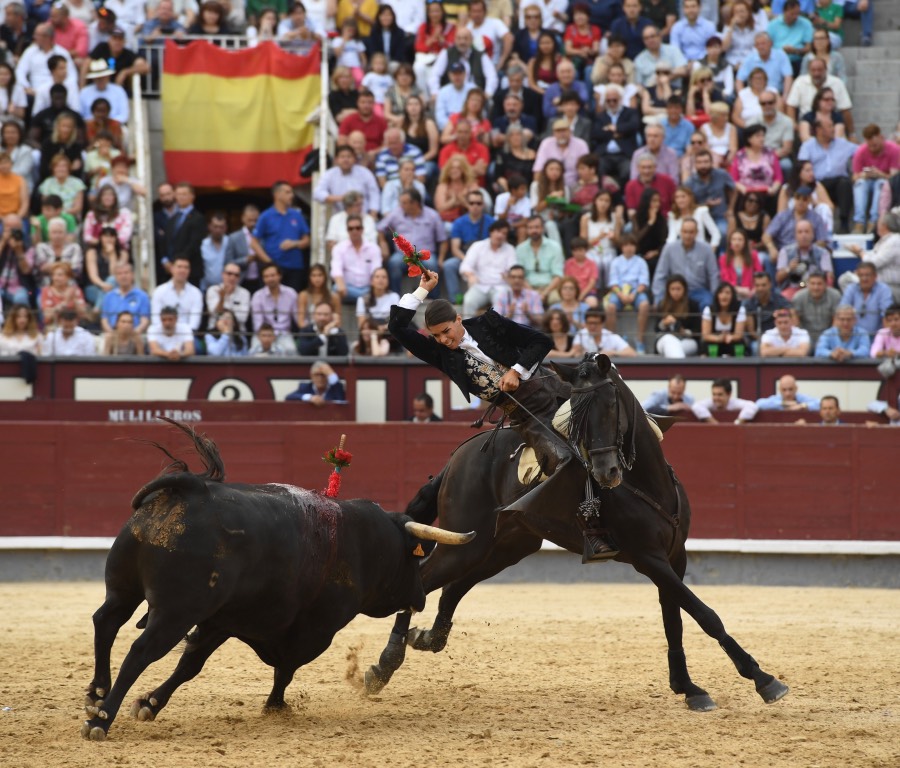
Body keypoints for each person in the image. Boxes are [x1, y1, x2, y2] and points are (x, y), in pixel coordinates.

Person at [389, 266, 617, 561]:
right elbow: (396, 327)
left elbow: (541, 341)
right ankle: (593, 532)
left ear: (458, 319)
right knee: (562, 458)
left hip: (559, 393)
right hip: (530, 418)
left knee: (612, 427)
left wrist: (516, 370)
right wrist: (423, 290)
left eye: (447, 332)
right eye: (437, 336)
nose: (444, 340)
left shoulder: (489, 323)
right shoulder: (439, 353)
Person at [378, 188, 449, 295]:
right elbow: (381, 228)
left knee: (432, 265)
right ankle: (395, 298)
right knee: (393, 263)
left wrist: (441, 259)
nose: (401, 205)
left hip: (424, 254)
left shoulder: (432, 215)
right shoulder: (397, 213)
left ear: (415, 203)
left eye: (404, 203)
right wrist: (383, 243)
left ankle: (434, 301)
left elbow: (443, 239)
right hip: (403, 255)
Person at [797, 117, 856, 234]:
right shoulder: (807, 146)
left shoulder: (842, 143)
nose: (833, 129)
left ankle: (844, 222)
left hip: (838, 183)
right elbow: (801, 167)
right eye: (829, 126)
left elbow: (862, 152)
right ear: (818, 130)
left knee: (845, 183)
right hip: (817, 183)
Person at [254, 180, 311, 292]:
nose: (292, 195)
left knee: (292, 299)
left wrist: (294, 243)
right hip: (274, 269)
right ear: (277, 194)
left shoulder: (297, 215)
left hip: (295, 267)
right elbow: (254, 243)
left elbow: (307, 240)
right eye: (287, 192)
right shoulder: (266, 216)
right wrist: (268, 261)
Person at [651, 218, 718, 311]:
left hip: (698, 291)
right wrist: (658, 297)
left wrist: (716, 297)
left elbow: (713, 275)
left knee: (708, 305)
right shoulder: (669, 249)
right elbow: (660, 275)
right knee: (663, 304)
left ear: (697, 232)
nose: (687, 235)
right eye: (685, 232)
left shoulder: (706, 249)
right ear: (680, 232)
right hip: (675, 291)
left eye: (691, 232)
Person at [459, 220, 517, 316]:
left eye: (504, 233)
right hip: (480, 285)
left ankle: (495, 331)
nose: (500, 235)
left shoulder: (510, 249)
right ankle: (468, 329)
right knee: (469, 300)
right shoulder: (478, 246)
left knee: (500, 303)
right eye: (498, 231)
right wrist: (470, 275)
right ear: (491, 231)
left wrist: (508, 275)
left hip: (501, 286)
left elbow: (513, 269)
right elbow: (465, 266)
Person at [604, 234, 650, 350]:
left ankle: (640, 340)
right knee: (611, 307)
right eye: (626, 245)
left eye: (631, 245)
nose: (629, 248)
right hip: (619, 291)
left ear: (635, 247)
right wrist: (621, 295)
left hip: (636, 291)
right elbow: (613, 283)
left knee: (644, 305)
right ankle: (613, 341)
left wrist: (633, 294)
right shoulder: (616, 262)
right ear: (621, 247)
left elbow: (643, 283)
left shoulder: (641, 262)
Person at [851, 125, 900, 235]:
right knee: (860, 184)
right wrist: (863, 175)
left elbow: (895, 179)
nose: (873, 148)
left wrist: (880, 174)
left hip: (884, 181)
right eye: (870, 145)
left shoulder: (894, 150)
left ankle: (873, 221)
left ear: (881, 137)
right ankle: (859, 222)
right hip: (866, 182)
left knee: (881, 184)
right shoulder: (861, 151)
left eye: (875, 145)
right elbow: (854, 177)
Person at [591, 83, 642, 187]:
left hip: (624, 154)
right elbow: (596, 133)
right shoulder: (601, 116)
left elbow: (634, 126)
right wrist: (618, 133)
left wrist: (614, 128)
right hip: (604, 154)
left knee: (627, 171)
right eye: (608, 100)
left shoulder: (630, 113)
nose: (612, 103)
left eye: (614, 100)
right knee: (599, 170)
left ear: (621, 99)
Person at [330, 214, 382, 304]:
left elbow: (376, 271)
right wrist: (341, 284)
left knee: (379, 287)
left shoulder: (374, 248)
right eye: (351, 228)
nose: (354, 231)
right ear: (347, 230)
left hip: (369, 288)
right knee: (336, 288)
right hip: (347, 290)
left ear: (362, 229)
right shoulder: (339, 248)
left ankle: (364, 298)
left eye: (357, 228)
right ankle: (364, 298)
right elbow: (336, 269)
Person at [162, 182, 206, 285]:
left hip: (190, 270)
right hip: (171, 269)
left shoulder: (198, 218)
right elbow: (165, 242)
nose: (181, 197)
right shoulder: (173, 218)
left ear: (192, 196)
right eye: (178, 194)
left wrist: (177, 262)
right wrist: (165, 261)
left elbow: (194, 244)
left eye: (184, 194)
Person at [685, 149, 735, 238]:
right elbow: (687, 204)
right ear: (695, 165)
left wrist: (730, 209)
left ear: (711, 162)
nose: (703, 165)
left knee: (723, 233)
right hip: (699, 218)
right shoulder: (690, 182)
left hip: (720, 215)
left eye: (706, 162)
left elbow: (734, 190)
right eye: (699, 162)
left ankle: (721, 252)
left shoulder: (721, 174)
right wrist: (705, 205)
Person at [250, 263, 299, 354]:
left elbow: (297, 318)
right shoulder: (257, 296)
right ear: (263, 279)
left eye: (273, 275)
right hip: (264, 334)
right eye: (266, 276)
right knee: (254, 353)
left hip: (284, 334)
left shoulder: (291, 293)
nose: (270, 279)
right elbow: (258, 324)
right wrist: (268, 336)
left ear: (279, 276)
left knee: (292, 351)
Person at [515, 215, 564, 304]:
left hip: (550, 288)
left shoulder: (555, 247)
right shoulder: (520, 249)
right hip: (528, 288)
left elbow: (558, 276)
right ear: (526, 230)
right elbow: (520, 276)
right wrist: (533, 294)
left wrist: (544, 293)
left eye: (537, 227)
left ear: (543, 228)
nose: (534, 231)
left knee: (556, 299)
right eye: (530, 228)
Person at [533, 117, 590, 188]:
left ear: (570, 131)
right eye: (558, 131)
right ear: (553, 133)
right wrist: (538, 186)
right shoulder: (546, 143)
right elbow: (538, 168)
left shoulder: (581, 144)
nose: (562, 134)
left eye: (564, 131)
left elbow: (585, 168)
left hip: (575, 184)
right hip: (551, 185)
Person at [841, 262, 894, 337]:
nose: (864, 278)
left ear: (875, 276)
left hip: (876, 337)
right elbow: (841, 312)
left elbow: (887, 316)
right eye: (861, 275)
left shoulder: (883, 290)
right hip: (854, 338)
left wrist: (885, 340)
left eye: (867, 275)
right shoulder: (851, 289)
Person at [654, 274, 701, 357]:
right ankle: (679, 369)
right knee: (670, 340)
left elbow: (698, 330)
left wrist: (684, 332)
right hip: (664, 339)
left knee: (674, 347)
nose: (675, 292)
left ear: (684, 289)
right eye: (672, 289)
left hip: (687, 340)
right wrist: (664, 323)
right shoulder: (662, 304)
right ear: (668, 290)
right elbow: (656, 329)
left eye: (678, 289)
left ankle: (675, 369)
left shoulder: (692, 305)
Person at [791, 269, 841, 347]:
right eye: (812, 283)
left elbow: (836, 322)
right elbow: (796, 323)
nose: (816, 287)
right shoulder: (798, 297)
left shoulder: (835, 296)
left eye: (819, 284)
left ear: (825, 284)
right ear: (807, 284)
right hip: (805, 337)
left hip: (828, 336)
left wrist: (827, 339)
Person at [151, 255, 203, 330]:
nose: (182, 270)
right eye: (179, 267)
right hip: (164, 335)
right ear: (172, 269)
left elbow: (194, 323)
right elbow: (155, 320)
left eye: (186, 267)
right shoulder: (159, 291)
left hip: (188, 336)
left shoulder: (196, 293)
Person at [100, 262, 150, 336]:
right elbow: (104, 320)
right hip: (113, 334)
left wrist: (134, 334)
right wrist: (112, 335)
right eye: (119, 274)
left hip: (135, 334)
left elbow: (145, 320)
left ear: (132, 275)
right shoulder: (108, 297)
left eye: (126, 273)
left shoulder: (142, 296)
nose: (123, 276)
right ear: (115, 277)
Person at [701, 282, 746, 356]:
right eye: (721, 292)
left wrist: (730, 337)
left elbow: (739, 335)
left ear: (733, 296)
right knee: (706, 345)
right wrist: (718, 338)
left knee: (739, 344)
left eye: (727, 293)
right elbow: (705, 335)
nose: (724, 296)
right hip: (714, 340)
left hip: (732, 341)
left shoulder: (740, 309)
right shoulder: (708, 310)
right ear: (717, 295)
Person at [40, 261, 87, 329]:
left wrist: (74, 299)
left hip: (74, 326)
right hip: (54, 326)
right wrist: (65, 302)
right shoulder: (46, 291)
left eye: (60, 275)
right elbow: (48, 316)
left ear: (68, 277)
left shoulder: (75, 290)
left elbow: (83, 314)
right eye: (54, 275)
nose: (55, 278)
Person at [205, 263, 251, 333]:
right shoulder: (213, 290)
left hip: (237, 332)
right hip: (216, 331)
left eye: (236, 275)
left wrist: (226, 304)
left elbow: (242, 318)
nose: (232, 278)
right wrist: (222, 299)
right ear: (223, 274)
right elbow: (214, 314)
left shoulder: (245, 293)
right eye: (229, 274)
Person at [572, 308, 636, 356]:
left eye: (595, 323)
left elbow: (632, 353)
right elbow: (574, 352)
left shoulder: (611, 336)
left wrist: (613, 352)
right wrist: (579, 353)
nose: (592, 326)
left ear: (602, 323)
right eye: (589, 323)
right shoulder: (581, 335)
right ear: (585, 323)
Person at [691, 378, 759, 423]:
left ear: (729, 394)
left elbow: (752, 406)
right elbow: (696, 406)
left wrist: (738, 422)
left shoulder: (733, 402)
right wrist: (713, 422)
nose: (716, 398)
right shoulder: (711, 402)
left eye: (720, 395)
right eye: (714, 394)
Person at [756, 374, 820, 411]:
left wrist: (802, 406)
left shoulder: (801, 398)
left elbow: (820, 403)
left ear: (796, 388)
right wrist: (783, 403)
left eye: (790, 389)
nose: (787, 393)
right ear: (779, 390)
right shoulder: (777, 399)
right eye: (784, 390)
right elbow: (759, 403)